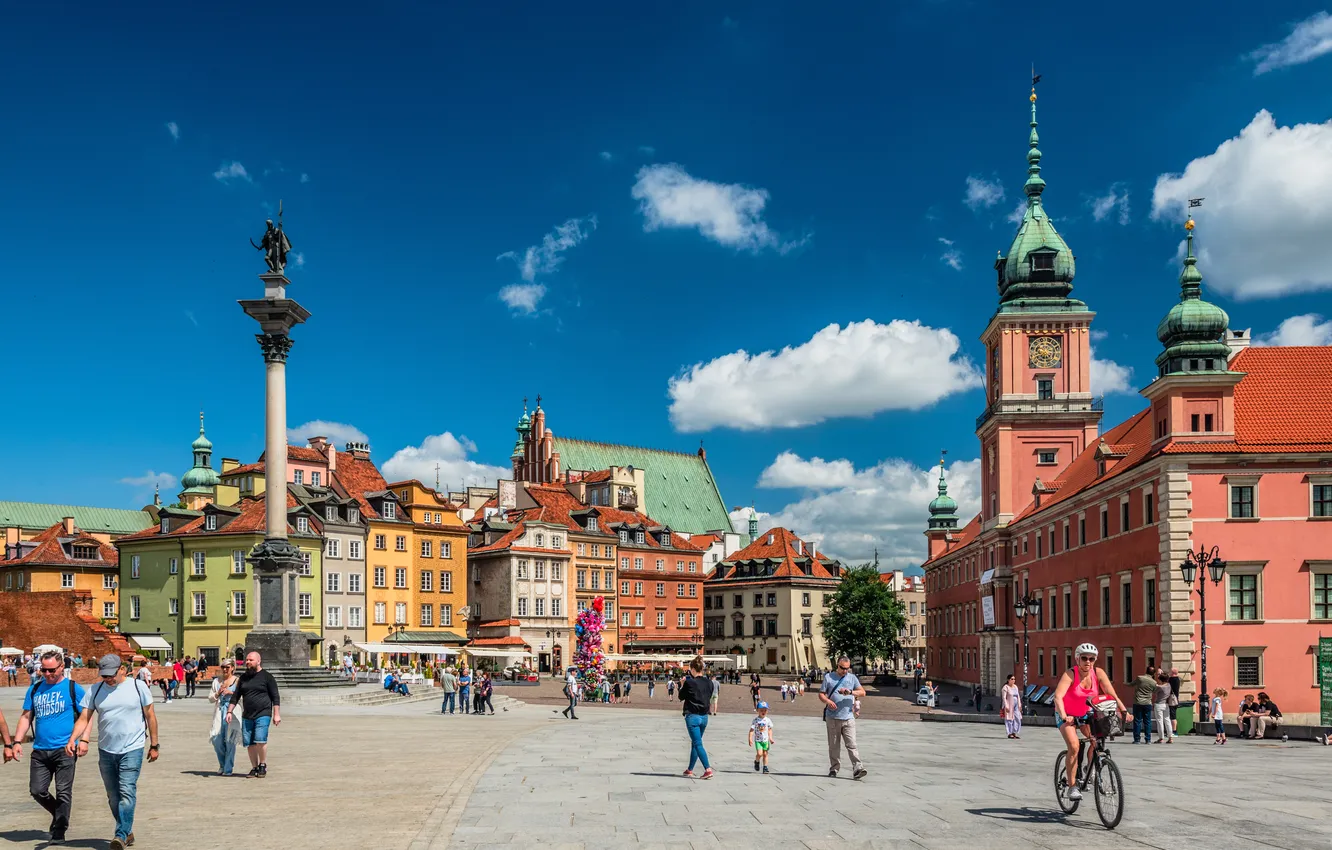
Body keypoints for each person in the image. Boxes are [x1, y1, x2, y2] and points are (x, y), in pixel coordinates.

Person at [69, 654, 158, 850]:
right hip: (106, 750)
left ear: (122, 669)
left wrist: (154, 745)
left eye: (111, 675)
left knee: (127, 792)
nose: (108, 679)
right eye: (104, 675)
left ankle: (119, 835)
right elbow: (84, 717)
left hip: (132, 748)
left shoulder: (138, 687)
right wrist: (72, 738)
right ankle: (126, 830)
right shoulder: (96, 689)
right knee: (113, 796)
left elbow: (150, 716)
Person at [13, 650, 86, 843]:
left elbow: (86, 716)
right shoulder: (35, 689)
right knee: (37, 790)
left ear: (62, 667)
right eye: (43, 670)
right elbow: (26, 716)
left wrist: (83, 740)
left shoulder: (73, 688)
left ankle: (59, 829)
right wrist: (17, 742)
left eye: (51, 670)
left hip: (65, 749)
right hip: (40, 749)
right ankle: (59, 813)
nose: (47, 674)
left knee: (63, 791)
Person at [1052, 643, 1127, 802]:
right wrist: (1065, 715)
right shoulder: (1070, 674)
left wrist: (1124, 711)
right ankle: (1072, 786)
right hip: (1066, 714)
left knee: (1096, 742)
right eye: (1084, 658)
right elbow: (1058, 697)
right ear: (1077, 659)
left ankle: (1089, 767)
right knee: (1074, 746)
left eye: (1091, 659)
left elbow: (1111, 694)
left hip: (1086, 713)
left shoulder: (1098, 673)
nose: (1088, 662)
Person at [224, 652, 281, 778]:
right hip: (247, 715)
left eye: (251, 660)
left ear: (258, 661)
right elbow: (235, 696)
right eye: (247, 660)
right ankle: (254, 767)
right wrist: (229, 711)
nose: (248, 662)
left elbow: (275, 697)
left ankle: (262, 765)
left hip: (263, 713)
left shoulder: (267, 677)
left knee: (260, 740)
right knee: (249, 743)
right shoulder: (244, 678)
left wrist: (276, 714)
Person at [819, 655, 868, 780]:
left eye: (847, 668)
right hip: (833, 717)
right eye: (842, 668)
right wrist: (828, 702)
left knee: (852, 744)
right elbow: (821, 694)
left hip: (848, 717)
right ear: (837, 665)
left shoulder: (852, 678)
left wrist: (850, 692)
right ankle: (834, 768)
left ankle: (858, 767)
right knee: (834, 745)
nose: (845, 671)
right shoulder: (828, 677)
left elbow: (862, 692)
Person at [678, 657, 714, 779]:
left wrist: (682, 685)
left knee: (698, 744)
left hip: (692, 716)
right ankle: (690, 769)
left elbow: (681, 697)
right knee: (695, 743)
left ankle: (708, 769)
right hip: (704, 717)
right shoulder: (709, 682)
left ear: (693, 669)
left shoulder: (689, 683)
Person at [209, 658, 242, 774]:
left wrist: (231, 693)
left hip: (233, 712)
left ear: (232, 668)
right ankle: (222, 764)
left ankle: (228, 768)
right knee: (216, 738)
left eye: (227, 667)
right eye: (223, 667)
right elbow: (210, 699)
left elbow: (243, 697)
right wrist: (218, 693)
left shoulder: (238, 681)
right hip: (220, 711)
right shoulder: (216, 681)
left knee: (230, 741)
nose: (225, 669)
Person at [1130, 665, 1157, 744]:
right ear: (1153, 673)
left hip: (1138, 702)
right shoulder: (1154, 682)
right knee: (1147, 722)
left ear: (1146, 671)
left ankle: (1137, 739)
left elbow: (1132, 684)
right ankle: (1148, 739)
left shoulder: (1140, 678)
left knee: (1137, 721)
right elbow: (1154, 691)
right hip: (1148, 703)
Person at [749, 701, 775, 774]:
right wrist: (750, 739)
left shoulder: (768, 720)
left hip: (765, 740)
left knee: (765, 754)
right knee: (760, 754)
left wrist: (771, 738)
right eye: (761, 710)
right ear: (757, 710)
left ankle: (765, 767)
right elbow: (751, 730)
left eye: (765, 710)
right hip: (758, 740)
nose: (763, 712)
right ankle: (757, 761)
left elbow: (770, 730)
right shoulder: (755, 720)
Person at [1152, 670, 1174, 743]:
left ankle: (1161, 738)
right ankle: (1170, 737)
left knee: (1160, 721)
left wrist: (1156, 685)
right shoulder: (1169, 685)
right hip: (1166, 704)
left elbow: (1154, 692)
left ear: (1160, 680)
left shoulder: (1160, 687)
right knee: (1167, 720)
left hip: (1159, 704)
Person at [1001, 673, 1022, 739]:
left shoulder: (1015, 687)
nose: (1013, 680)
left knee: (1017, 718)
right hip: (1009, 704)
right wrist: (1006, 706)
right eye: (1012, 679)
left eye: (1014, 679)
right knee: (1009, 718)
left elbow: (1018, 696)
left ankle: (1014, 732)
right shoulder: (1005, 687)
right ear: (1008, 680)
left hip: (1016, 705)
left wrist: (1019, 704)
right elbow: (1004, 697)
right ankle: (1010, 733)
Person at [1168, 667, 1182, 734]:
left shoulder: (1171, 679)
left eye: (1170, 672)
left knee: (1172, 716)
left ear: (1172, 673)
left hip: (1172, 700)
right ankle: (1173, 730)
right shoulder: (1178, 679)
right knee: (1173, 715)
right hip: (1176, 699)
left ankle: (1174, 731)